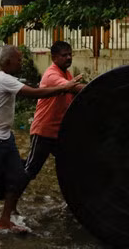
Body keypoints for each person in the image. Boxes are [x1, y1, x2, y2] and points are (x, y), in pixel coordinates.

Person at [0, 44, 81, 239]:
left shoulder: (6, 78)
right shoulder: (2, 79)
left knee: (17, 177)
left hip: (5, 136)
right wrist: (65, 87)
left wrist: (66, 87)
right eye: (19, 59)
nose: (21, 62)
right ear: (8, 62)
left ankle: (5, 221)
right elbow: (34, 93)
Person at [22, 41, 84, 195]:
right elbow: (73, 88)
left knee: (71, 166)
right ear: (54, 57)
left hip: (59, 133)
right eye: (64, 55)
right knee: (30, 170)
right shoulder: (52, 75)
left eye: (70, 54)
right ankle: (10, 199)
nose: (68, 57)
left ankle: (74, 200)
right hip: (43, 132)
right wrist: (97, 87)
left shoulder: (66, 73)